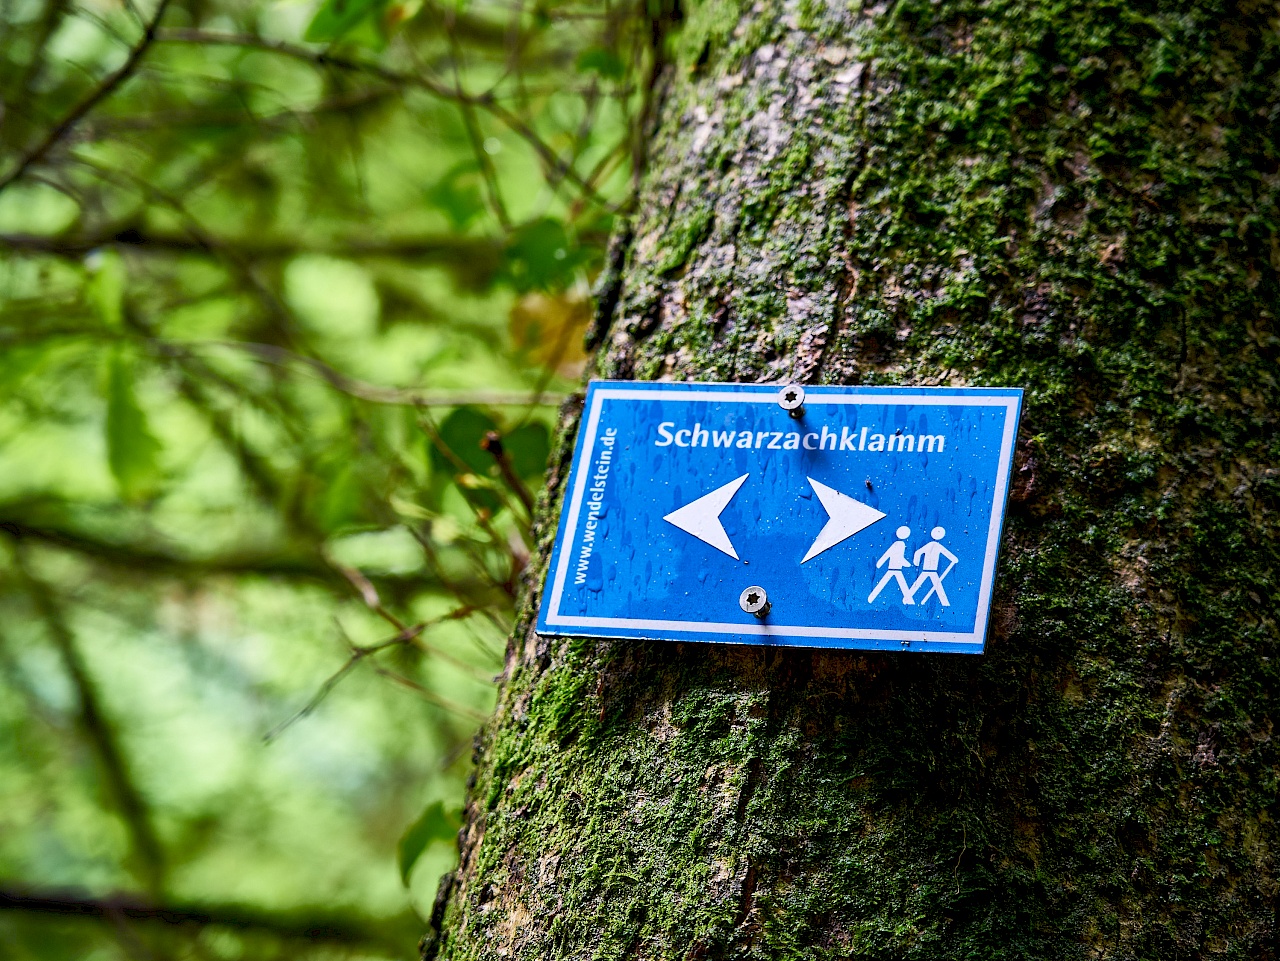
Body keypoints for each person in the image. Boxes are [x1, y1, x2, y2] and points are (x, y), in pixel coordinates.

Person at [908, 527, 958, 606]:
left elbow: (918, 552)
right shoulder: (935, 546)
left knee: (930, 584)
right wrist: (953, 559)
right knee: (930, 584)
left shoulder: (933, 545)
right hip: (930, 570)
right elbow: (947, 554)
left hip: (929, 570)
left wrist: (916, 563)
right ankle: (944, 602)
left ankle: (908, 597)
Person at [868, 526, 915, 605]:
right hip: (896, 568)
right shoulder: (900, 544)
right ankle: (909, 600)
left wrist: (880, 563)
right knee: (900, 584)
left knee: (893, 583)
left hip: (894, 568)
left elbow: (888, 554)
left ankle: (871, 597)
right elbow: (895, 556)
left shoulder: (898, 544)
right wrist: (907, 564)